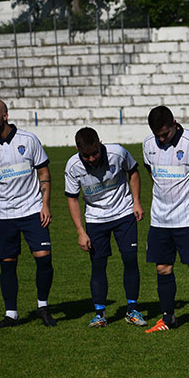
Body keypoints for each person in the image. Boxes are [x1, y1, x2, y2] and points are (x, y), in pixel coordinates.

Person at [0, 98, 56, 328]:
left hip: (32, 209)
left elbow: (44, 172)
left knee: (44, 258)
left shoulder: (28, 140)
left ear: (5, 116)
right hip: (3, 214)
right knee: (7, 264)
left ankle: (43, 306)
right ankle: (11, 315)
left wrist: (45, 205)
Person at [142, 106, 189, 334]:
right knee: (163, 268)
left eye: (165, 133)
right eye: (158, 135)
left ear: (174, 123)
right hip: (160, 219)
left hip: (188, 219)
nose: (162, 139)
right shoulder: (148, 145)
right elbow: (153, 175)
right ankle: (168, 318)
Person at [65, 127, 145, 327]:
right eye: (86, 156)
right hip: (95, 219)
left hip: (123, 213)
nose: (92, 159)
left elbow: (133, 172)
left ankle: (132, 310)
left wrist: (136, 202)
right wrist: (80, 231)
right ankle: (100, 314)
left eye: (95, 153)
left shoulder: (118, 153)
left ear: (100, 144)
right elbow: (72, 199)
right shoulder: (73, 166)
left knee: (130, 259)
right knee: (98, 264)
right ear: (77, 149)